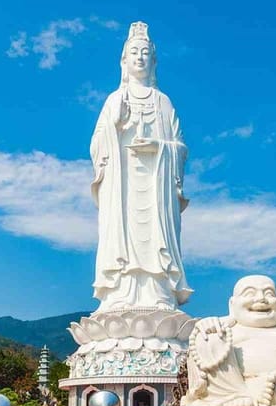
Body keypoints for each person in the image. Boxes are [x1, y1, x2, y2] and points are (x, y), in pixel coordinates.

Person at [90, 21, 192, 311]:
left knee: (155, 239)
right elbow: (96, 146)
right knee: (122, 236)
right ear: (124, 60)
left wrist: (159, 148)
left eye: (145, 52)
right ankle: (120, 294)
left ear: (153, 60)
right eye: (134, 52)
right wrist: (115, 124)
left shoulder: (163, 103)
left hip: (156, 187)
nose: (140, 57)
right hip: (122, 187)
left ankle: (159, 292)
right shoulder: (113, 100)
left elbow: (181, 148)